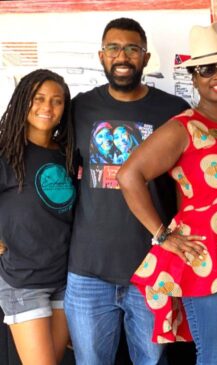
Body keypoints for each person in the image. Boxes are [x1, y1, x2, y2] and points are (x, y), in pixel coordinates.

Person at [117, 22, 217, 365]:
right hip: (211, 258)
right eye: (206, 68)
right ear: (193, 75)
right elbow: (129, 175)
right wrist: (162, 236)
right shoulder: (182, 127)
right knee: (216, 356)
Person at [64, 17, 190, 365]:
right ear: (101, 56)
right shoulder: (79, 109)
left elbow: (188, 185)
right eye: (114, 48)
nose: (123, 56)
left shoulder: (173, 111)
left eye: (132, 49)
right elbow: (54, 174)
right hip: (89, 271)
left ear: (146, 58)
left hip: (151, 269)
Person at [0, 69, 76, 365]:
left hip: (64, 278)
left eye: (57, 101)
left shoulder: (67, 153)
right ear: (23, 101)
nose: (47, 107)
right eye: (39, 98)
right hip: (23, 279)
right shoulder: (7, 152)